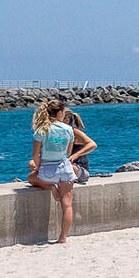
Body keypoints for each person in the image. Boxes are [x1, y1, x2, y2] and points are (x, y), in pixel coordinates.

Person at [29, 98, 87, 243]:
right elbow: (68, 153)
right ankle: (63, 237)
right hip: (65, 169)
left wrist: (38, 167)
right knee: (67, 205)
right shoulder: (69, 129)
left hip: (48, 170)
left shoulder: (42, 130)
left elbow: (35, 155)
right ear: (60, 112)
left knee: (31, 177)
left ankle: (51, 186)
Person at [62, 108, 98, 181]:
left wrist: (76, 155)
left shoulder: (74, 132)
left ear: (66, 120)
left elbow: (92, 144)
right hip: (64, 167)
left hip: (80, 170)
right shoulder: (57, 133)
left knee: (66, 167)